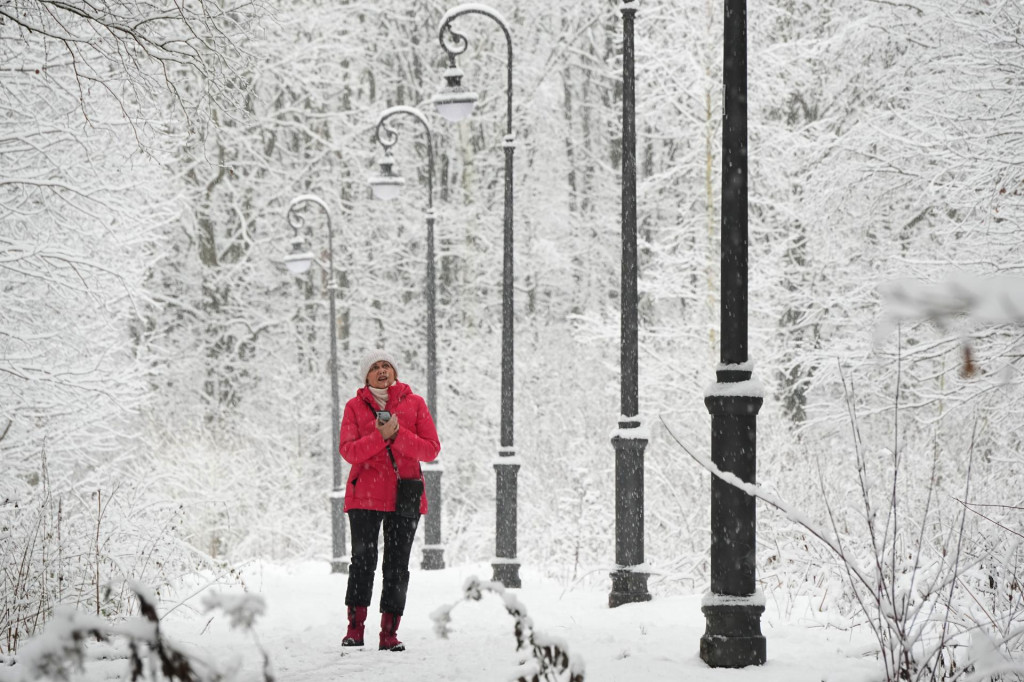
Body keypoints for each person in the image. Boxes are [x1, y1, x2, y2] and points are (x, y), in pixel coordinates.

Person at [338, 349, 439, 652]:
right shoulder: (354, 407)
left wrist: (397, 435)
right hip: (364, 495)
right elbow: (349, 451)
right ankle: (355, 629)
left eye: (386, 366)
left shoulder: (415, 403)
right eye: (375, 367)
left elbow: (431, 449)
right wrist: (380, 436)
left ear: (394, 372)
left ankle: (389, 633)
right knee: (362, 563)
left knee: (397, 566)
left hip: (403, 496)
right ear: (366, 376)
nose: (382, 371)